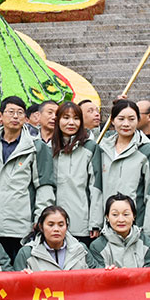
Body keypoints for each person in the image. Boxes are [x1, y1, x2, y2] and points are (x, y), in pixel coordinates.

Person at [0, 96, 55, 259]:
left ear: (26, 118)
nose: (15, 116)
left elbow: (44, 186)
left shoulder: (36, 147)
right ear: (0, 116)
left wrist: (41, 217)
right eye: (11, 112)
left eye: (20, 113)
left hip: (23, 226)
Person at [90, 99, 150, 239]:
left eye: (131, 119)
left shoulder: (147, 149)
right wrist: (95, 223)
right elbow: (97, 187)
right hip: (108, 227)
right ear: (112, 120)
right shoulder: (103, 149)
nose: (126, 124)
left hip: (136, 227)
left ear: (138, 120)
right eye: (121, 118)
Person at [52, 102, 99, 241]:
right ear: (58, 120)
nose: (71, 122)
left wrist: (95, 223)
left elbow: (95, 187)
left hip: (81, 222)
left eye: (76, 118)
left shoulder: (90, 147)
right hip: (53, 224)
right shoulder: (48, 148)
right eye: (66, 117)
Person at [87, 194, 150, 269]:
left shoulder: (148, 244)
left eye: (126, 214)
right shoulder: (97, 246)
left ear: (134, 216)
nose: (121, 220)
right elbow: (98, 276)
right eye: (115, 214)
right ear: (107, 217)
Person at [13, 206, 90, 271]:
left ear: (66, 227)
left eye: (61, 225)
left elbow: (96, 277)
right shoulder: (27, 253)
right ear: (41, 227)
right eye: (51, 225)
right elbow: (15, 284)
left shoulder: (81, 250)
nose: (56, 229)